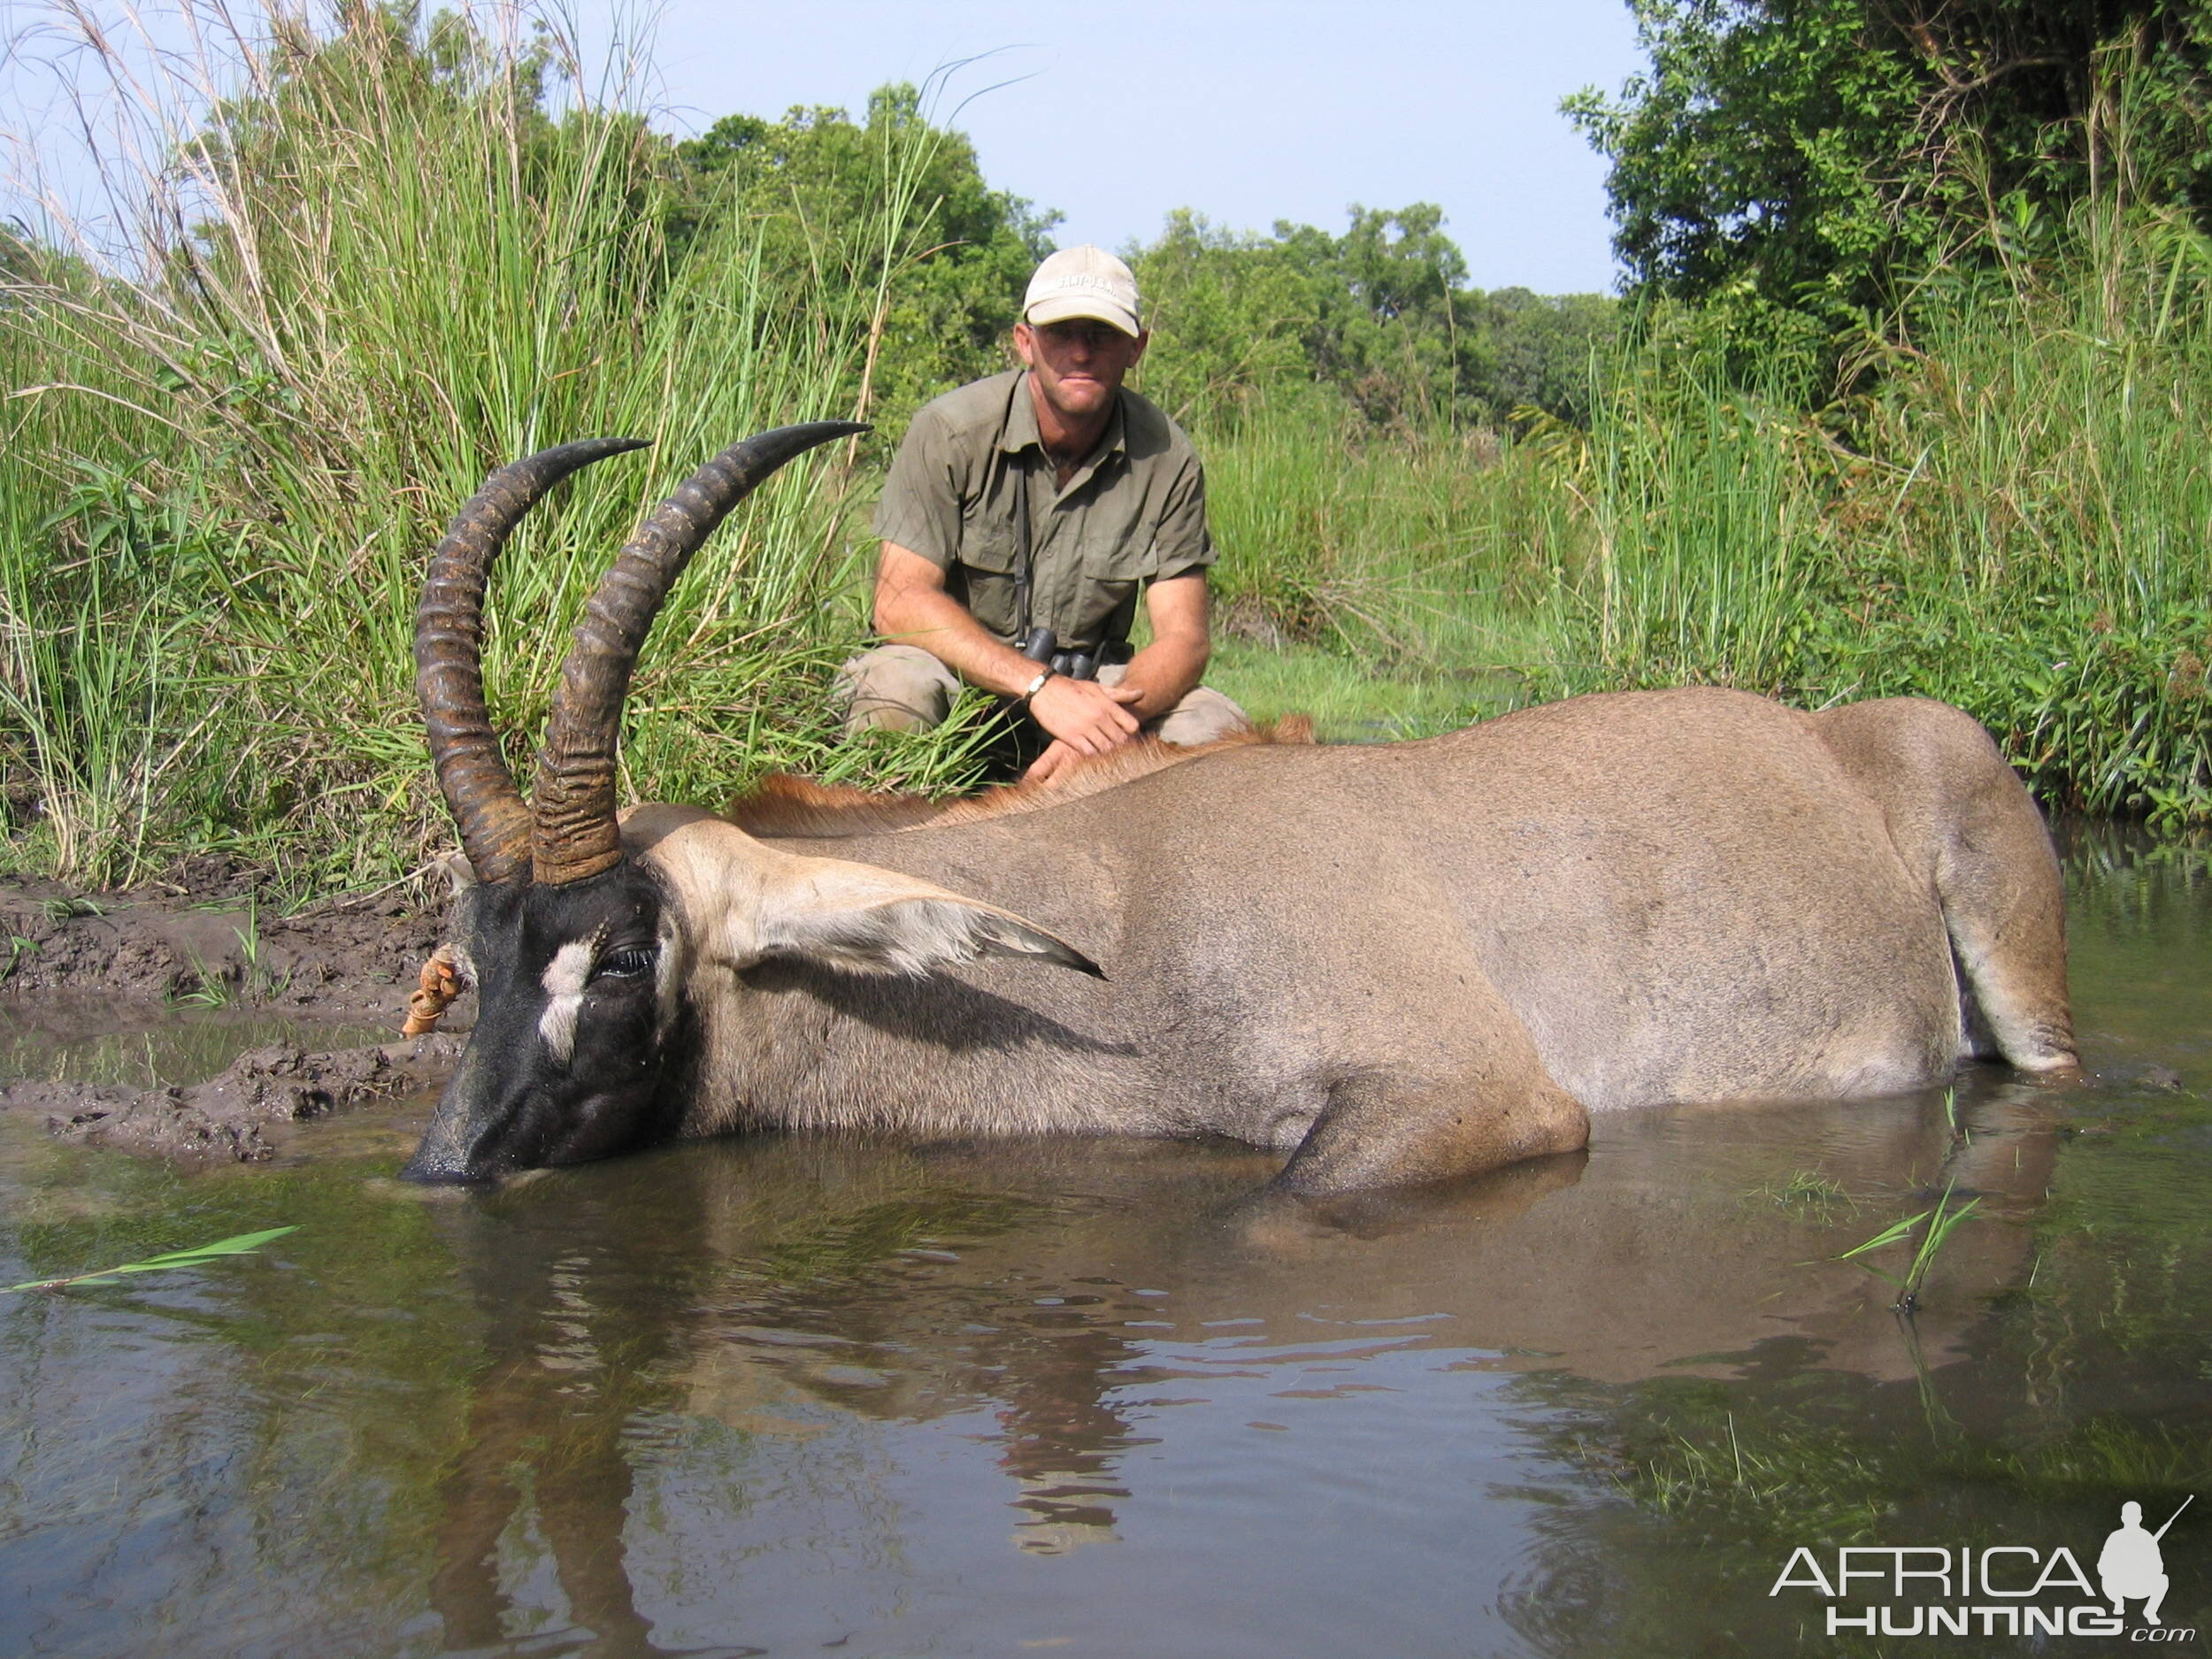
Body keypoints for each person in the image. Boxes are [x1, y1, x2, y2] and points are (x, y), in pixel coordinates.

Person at [841, 244, 1247, 784]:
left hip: (1092, 688)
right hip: (963, 675)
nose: (1081, 352)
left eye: (1101, 334)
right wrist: (1040, 687)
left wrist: (1108, 723)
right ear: (1024, 342)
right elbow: (899, 603)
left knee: (1215, 726)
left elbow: (1185, 637)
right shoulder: (949, 432)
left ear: (1136, 348)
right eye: (1061, 332)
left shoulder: (1168, 456)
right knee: (896, 689)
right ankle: (884, 851)